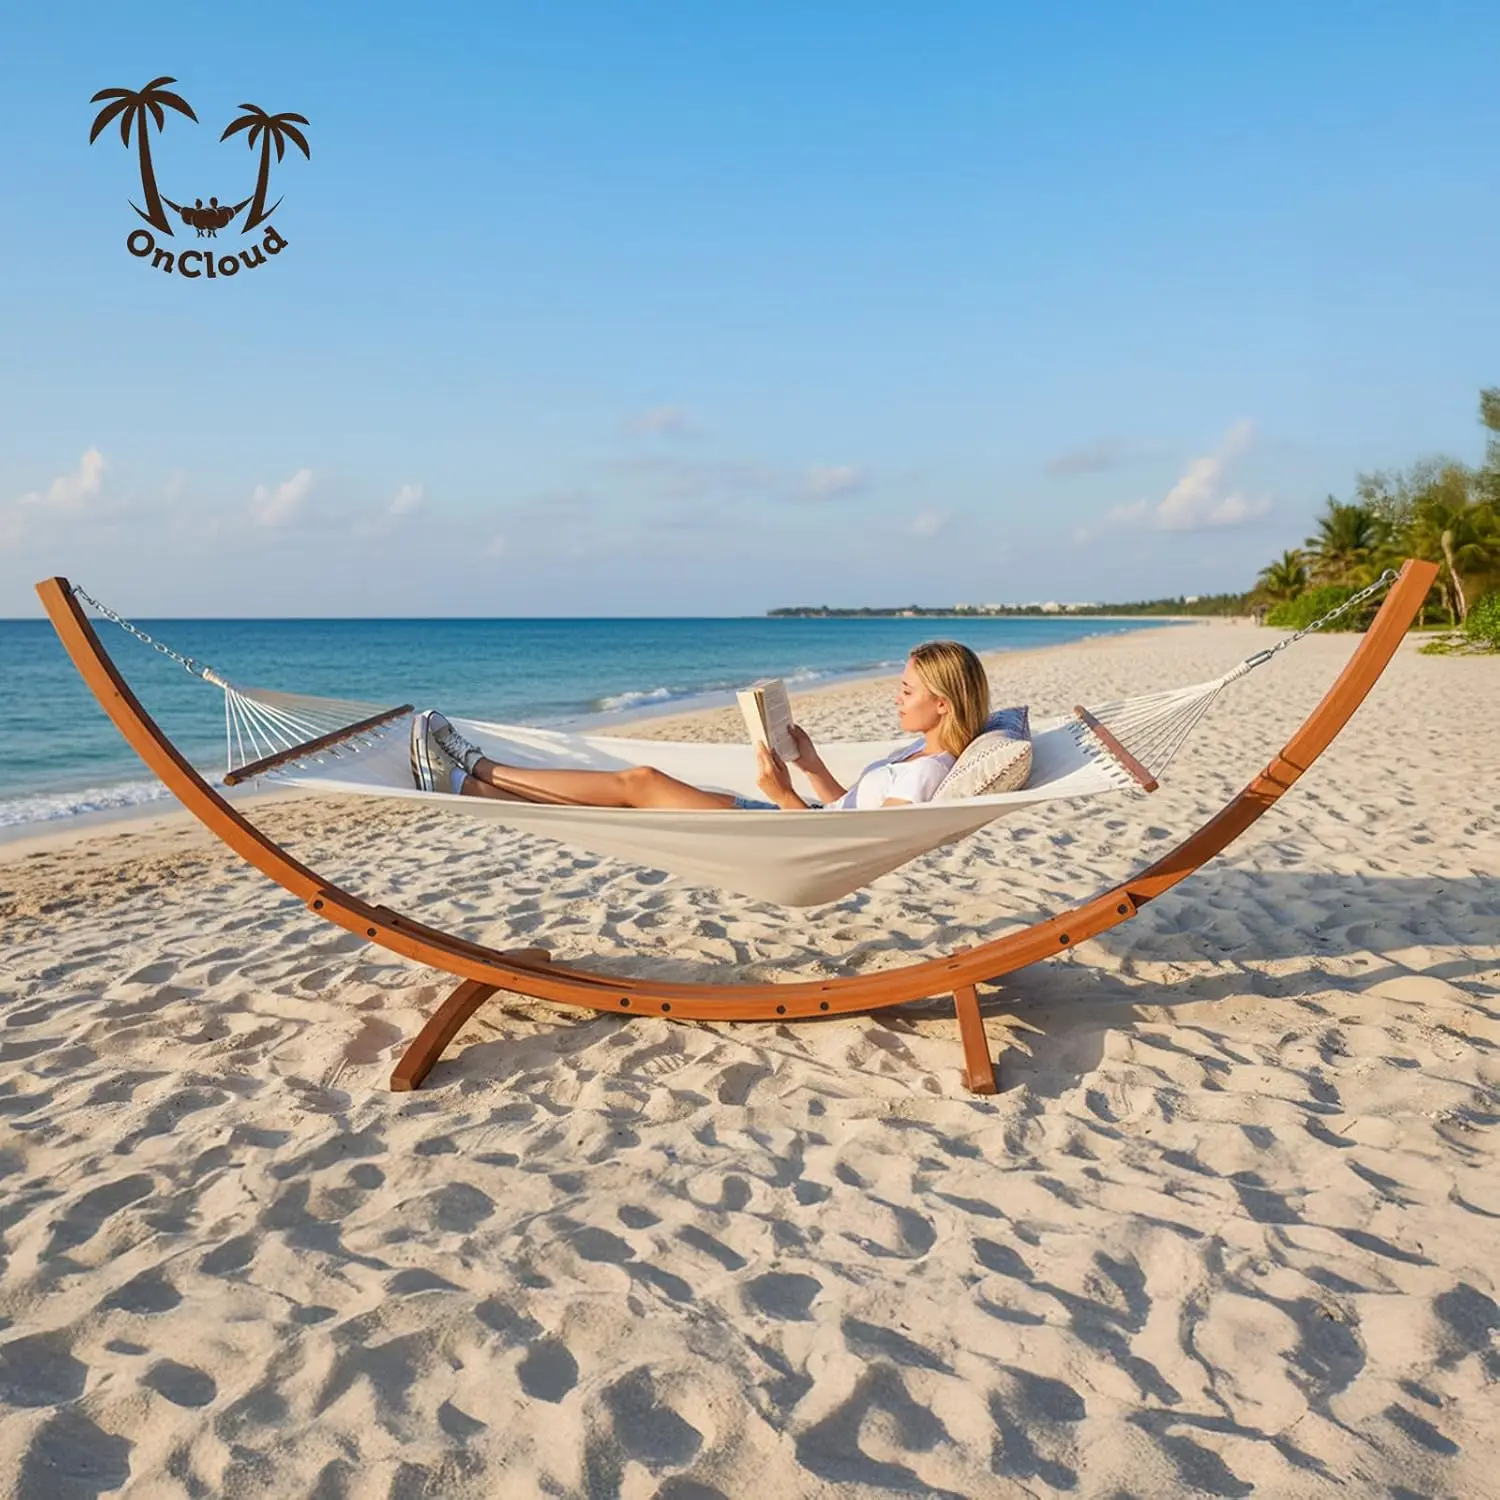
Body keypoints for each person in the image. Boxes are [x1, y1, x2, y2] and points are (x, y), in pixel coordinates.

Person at [410, 639, 989, 812]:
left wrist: (782, 795)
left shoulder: (925, 773)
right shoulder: (916, 757)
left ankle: (479, 767)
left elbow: (851, 843)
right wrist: (811, 764)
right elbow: (847, 811)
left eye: (908, 690)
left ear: (943, 704)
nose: (896, 697)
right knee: (633, 796)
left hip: (787, 831)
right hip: (794, 817)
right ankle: (468, 786)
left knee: (639, 782)